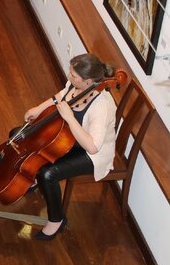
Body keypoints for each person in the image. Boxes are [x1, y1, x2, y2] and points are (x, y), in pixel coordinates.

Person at [23, 53, 118, 240]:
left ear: (88, 81)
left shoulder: (102, 107)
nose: (69, 76)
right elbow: (60, 96)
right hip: (69, 137)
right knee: (25, 137)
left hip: (91, 153)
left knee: (48, 174)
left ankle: (56, 220)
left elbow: (93, 147)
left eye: (73, 75)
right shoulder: (77, 85)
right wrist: (38, 109)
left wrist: (69, 117)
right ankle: (34, 178)